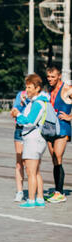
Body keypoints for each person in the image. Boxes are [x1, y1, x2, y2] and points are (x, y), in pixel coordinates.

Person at [11, 74, 48, 208]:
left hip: (33, 139)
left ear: (37, 88)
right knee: (36, 171)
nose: (27, 90)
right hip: (36, 139)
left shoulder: (37, 103)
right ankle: (40, 198)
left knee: (31, 171)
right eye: (26, 87)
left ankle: (31, 200)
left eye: (30, 87)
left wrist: (18, 115)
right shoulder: (38, 101)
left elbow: (30, 121)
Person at [45, 66, 72, 203]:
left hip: (62, 128)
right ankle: (57, 191)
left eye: (53, 77)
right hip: (50, 128)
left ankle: (61, 192)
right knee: (54, 160)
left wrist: (70, 116)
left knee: (58, 155)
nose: (50, 79)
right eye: (48, 77)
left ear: (59, 76)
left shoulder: (67, 88)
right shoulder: (49, 90)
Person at [10, 90, 30, 202]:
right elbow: (14, 112)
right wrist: (21, 104)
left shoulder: (39, 97)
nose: (28, 88)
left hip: (32, 131)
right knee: (19, 163)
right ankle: (19, 191)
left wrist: (26, 102)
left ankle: (32, 193)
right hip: (19, 130)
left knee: (30, 164)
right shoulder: (20, 94)